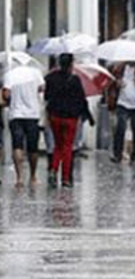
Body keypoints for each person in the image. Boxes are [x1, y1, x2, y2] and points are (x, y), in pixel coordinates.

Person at [44, 54, 93, 188]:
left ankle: (53, 169)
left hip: (55, 116)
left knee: (58, 146)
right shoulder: (75, 80)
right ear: (71, 64)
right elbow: (82, 100)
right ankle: (65, 178)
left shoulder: (50, 78)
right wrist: (88, 116)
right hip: (71, 118)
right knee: (67, 147)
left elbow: (46, 96)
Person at [3, 71, 45, 187]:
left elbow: (6, 94)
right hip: (32, 114)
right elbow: (42, 88)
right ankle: (33, 177)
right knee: (33, 147)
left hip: (15, 114)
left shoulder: (10, 74)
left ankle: (19, 178)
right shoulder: (35, 74)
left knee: (17, 145)